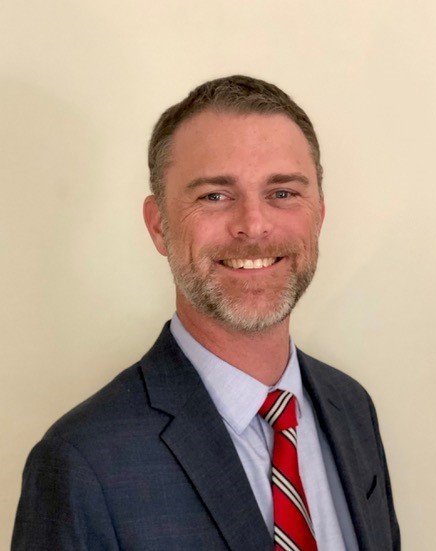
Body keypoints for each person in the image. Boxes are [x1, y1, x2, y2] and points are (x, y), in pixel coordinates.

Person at [12, 75, 400, 551]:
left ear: (318, 214)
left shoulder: (351, 408)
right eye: (215, 196)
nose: (253, 225)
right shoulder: (81, 463)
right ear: (159, 226)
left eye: (282, 193)